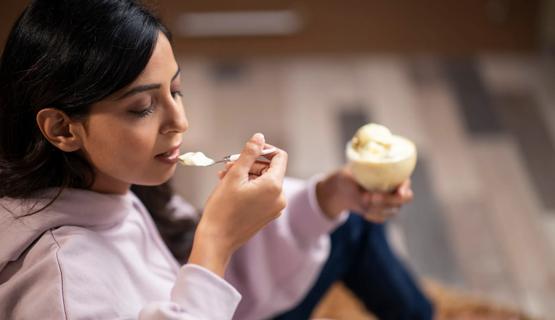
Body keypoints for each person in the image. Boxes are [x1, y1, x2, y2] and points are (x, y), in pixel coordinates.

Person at [0, 0, 433, 319]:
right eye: (141, 108)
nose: (180, 121)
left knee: (342, 215)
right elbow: (200, 270)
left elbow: (185, 268)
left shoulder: (110, 184)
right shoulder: (62, 288)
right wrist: (217, 241)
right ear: (61, 129)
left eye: (176, 90)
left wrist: (329, 195)